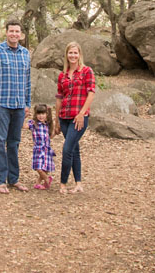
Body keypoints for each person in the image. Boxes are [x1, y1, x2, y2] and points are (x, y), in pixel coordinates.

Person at [0, 19, 32, 194]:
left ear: (21, 34)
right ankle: (0, 180)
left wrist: (27, 104)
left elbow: (27, 81)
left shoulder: (25, 53)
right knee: (0, 142)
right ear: (6, 32)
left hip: (18, 105)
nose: (14, 34)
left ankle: (14, 179)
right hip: (0, 103)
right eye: (11, 31)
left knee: (14, 142)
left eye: (17, 31)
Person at [55, 40, 95, 194]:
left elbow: (91, 93)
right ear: (66, 55)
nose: (72, 55)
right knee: (74, 149)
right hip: (64, 117)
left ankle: (63, 183)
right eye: (70, 53)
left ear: (79, 55)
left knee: (66, 150)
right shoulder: (62, 75)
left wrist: (82, 113)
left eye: (75, 53)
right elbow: (59, 97)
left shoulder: (86, 71)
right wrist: (57, 119)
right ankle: (78, 183)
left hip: (79, 118)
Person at [27, 104, 58, 190]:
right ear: (36, 115)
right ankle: (47, 179)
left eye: (43, 114)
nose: (41, 116)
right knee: (38, 167)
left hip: (47, 149)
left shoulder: (47, 125)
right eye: (39, 114)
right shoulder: (33, 124)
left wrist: (56, 131)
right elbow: (24, 126)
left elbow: (50, 137)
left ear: (46, 114)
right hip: (38, 149)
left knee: (46, 168)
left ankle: (37, 183)